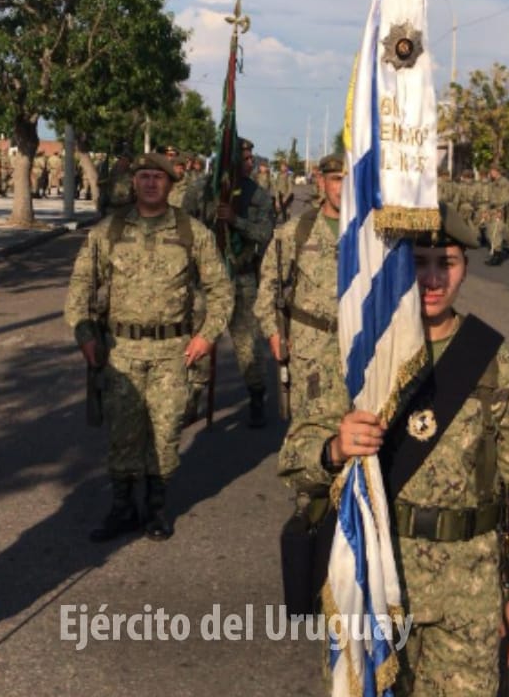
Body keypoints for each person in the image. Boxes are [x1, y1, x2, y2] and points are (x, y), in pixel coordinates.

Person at [279, 205, 509, 696]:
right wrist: (333, 447)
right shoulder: (356, 357)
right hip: (374, 579)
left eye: (446, 263)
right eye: (419, 262)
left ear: (464, 268)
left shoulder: (497, 366)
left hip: (468, 592)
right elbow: (294, 464)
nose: (433, 279)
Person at [65, 153, 234, 542]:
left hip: (174, 352)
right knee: (122, 434)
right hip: (120, 350)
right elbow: (80, 288)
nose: (151, 183)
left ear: (171, 184)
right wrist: (85, 335)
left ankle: (156, 508)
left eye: (158, 177)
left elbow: (221, 291)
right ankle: (122, 508)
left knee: (165, 433)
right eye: (144, 176)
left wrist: (206, 335)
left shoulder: (193, 232)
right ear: (133, 182)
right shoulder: (108, 232)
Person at [255, 152, 345, 423]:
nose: (343, 188)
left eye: (352, 180)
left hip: (360, 349)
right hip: (309, 349)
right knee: (309, 432)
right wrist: (274, 334)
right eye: (337, 180)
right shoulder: (296, 232)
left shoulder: (372, 234)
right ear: (322, 182)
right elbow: (267, 288)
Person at [216, 138, 276, 426]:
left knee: (248, 345)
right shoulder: (205, 190)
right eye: (245, 158)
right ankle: (190, 400)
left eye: (252, 157)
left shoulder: (258, 195)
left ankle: (256, 395)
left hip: (242, 277)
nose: (250, 162)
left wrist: (235, 221)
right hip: (209, 280)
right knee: (198, 347)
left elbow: (265, 234)